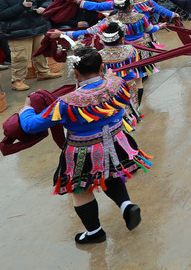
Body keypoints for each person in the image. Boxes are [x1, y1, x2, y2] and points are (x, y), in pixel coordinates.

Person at [17, 45, 150, 244]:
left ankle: (95, 232)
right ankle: (126, 206)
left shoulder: (66, 102)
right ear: (102, 66)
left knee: (80, 190)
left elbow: (31, 126)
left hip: (83, 150)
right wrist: (110, 77)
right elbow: (116, 88)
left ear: (76, 73)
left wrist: (25, 110)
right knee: (112, 176)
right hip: (116, 140)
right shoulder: (117, 83)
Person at [0, 0, 59, 91]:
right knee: (21, 57)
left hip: (37, 27)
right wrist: (21, 6)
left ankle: (43, 72)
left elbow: (47, 0)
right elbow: (2, 15)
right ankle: (17, 80)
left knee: (40, 52)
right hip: (17, 32)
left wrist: (43, 7)